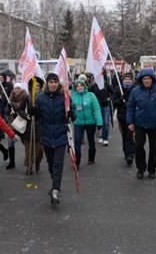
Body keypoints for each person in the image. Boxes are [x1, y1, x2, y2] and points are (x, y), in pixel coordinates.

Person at [33, 73, 72, 205]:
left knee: (58, 164)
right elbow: (37, 116)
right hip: (46, 135)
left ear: (58, 83)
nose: (53, 84)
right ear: (47, 83)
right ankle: (54, 181)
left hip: (61, 135)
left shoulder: (65, 97)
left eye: (55, 81)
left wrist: (71, 115)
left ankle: (55, 189)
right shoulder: (40, 98)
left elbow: (73, 115)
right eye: (51, 81)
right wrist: (32, 111)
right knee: (50, 163)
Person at [126, 69, 156, 180]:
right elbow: (130, 107)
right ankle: (141, 168)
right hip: (139, 123)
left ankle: (152, 169)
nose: (146, 81)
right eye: (144, 79)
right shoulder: (135, 91)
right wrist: (130, 122)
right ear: (141, 80)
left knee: (154, 148)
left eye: (149, 78)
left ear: (152, 79)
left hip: (154, 124)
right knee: (138, 146)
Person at [71, 78, 103, 167]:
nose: (79, 87)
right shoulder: (72, 96)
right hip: (78, 122)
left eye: (81, 85)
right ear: (75, 88)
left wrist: (99, 122)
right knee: (77, 141)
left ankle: (91, 157)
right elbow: (70, 109)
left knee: (91, 141)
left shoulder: (91, 95)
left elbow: (96, 108)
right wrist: (71, 115)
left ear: (84, 86)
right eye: (77, 86)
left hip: (90, 122)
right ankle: (77, 161)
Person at [112, 73, 136, 166]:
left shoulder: (134, 89)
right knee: (125, 136)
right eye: (126, 79)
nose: (127, 81)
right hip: (122, 116)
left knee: (131, 135)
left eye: (129, 79)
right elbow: (113, 102)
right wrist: (120, 100)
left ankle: (130, 154)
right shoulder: (118, 89)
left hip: (133, 116)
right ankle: (127, 152)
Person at [87, 73, 111, 146]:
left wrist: (110, 98)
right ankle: (100, 136)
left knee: (106, 122)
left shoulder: (106, 84)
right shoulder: (94, 85)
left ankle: (105, 138)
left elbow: (113, 92)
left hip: (106, 106)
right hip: (97, 107)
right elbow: (88, 93)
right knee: (98, 122)